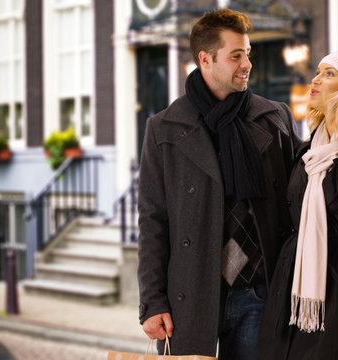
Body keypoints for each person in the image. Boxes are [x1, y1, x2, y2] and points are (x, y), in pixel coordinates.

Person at [137, 9, 302, 360]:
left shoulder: (274, 118)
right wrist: (152, 301)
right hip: (191, 296)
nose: (247, 64)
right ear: (205, 59)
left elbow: (309, 187)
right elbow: (153, 220)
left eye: (248, 54)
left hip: (259, 294)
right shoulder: (164, 129)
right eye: (236, 55)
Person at [258, 49, 338, 360]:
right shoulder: (308, 148)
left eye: (329, 74)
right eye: (318, 71)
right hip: (293, 285)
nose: (315, 80)